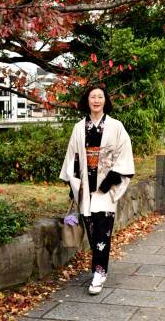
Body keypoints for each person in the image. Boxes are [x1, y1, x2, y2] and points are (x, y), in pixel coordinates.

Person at [59, 85, 135, 295]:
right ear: (87, 100)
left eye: (100, 96)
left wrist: (112, 177)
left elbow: (124, 153)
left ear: (105, 101)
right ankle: (98, 269)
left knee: (104, 231)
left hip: (105, 188)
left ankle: (99, 273)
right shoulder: (78, 127)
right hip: (85, 188)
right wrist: (73, 183)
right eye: (93, 96)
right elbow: (73, 156)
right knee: (93, 233)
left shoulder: (116, 126)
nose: (96, 100)